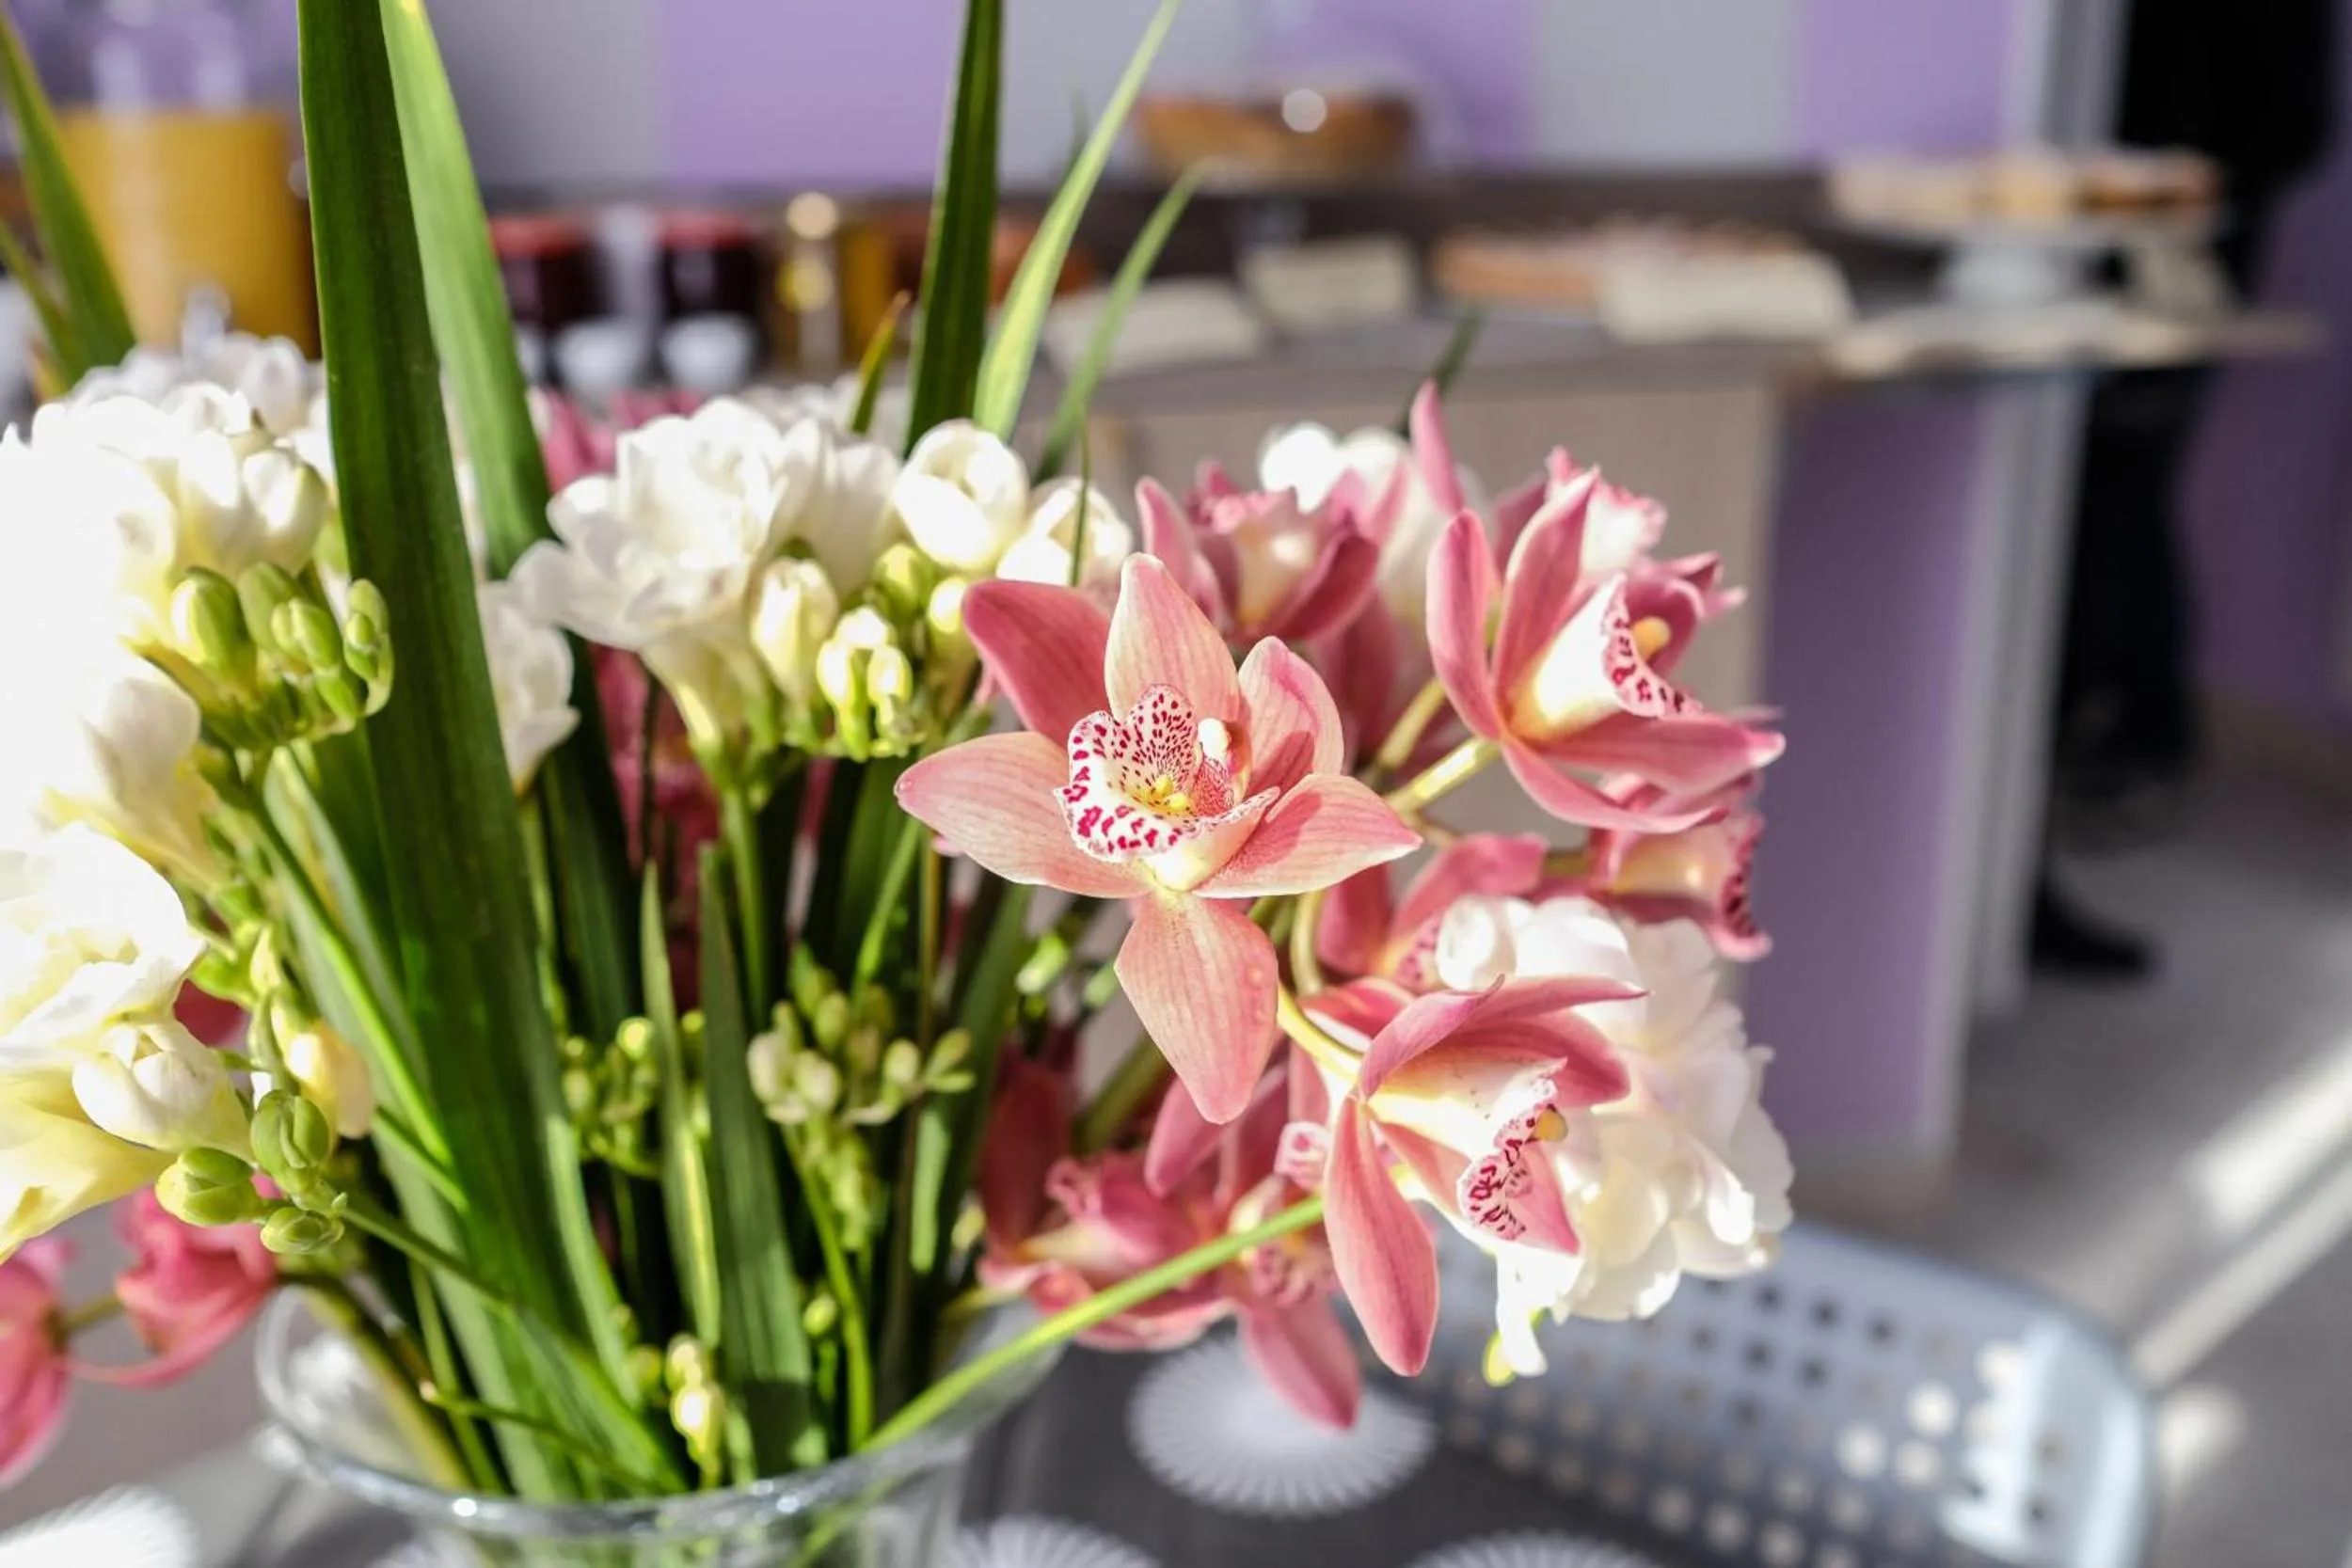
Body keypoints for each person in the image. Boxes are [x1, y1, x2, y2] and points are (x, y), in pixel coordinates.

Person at [2036, 0, 2337, 976]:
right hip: (2076, 245)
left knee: (2111, 503)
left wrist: (2174, 202)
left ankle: (2132, 735)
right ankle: (2111, 748)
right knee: (2079, 512)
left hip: (2176, 258)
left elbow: (2289, 121)